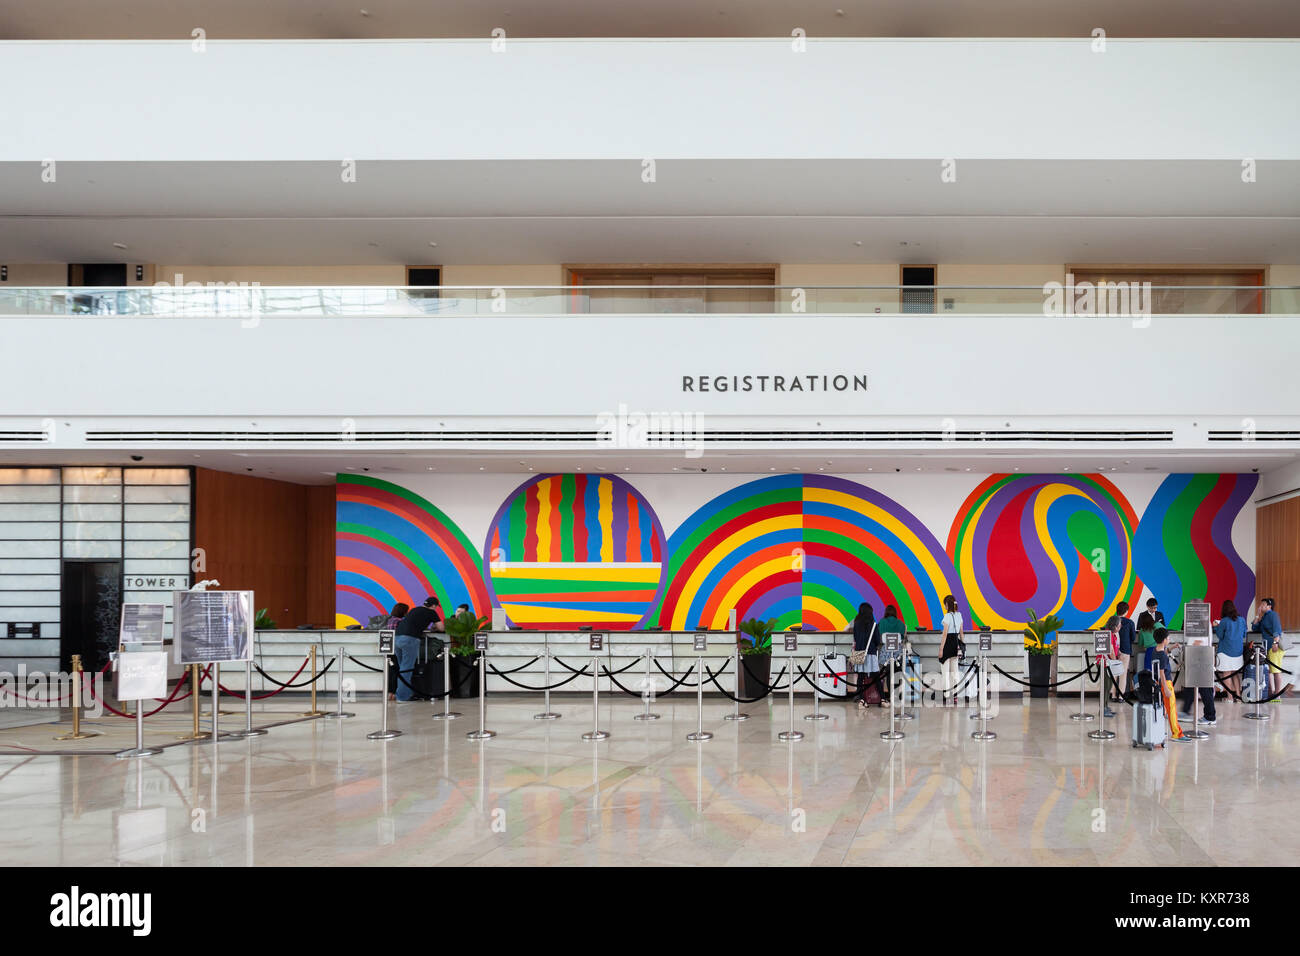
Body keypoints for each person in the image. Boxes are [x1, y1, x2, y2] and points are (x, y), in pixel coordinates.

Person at [393, 596, 445, 702]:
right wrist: (434, 626)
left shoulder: (414, 610)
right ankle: (402, 697)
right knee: (406, 669)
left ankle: (405, 693)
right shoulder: (431, 612)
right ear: (434, 606)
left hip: (397, 639)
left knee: (402, 668)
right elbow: (441, 628)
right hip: (410, 639)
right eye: (436, 607)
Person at [1250, 598, 1285, 699]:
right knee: (1269, 670)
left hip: (1275, 646)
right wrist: (1257, 614)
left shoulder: (1273, 615)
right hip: (1268, 646)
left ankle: (1277, 695)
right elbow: (1254, 627)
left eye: (1264, 604)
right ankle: (1271, 692)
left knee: (1276, 670)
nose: (1261, 606)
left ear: (1269, 606)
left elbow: (1277, 629)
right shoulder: (1264, 617)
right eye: (1261, 604)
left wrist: (1275, 642)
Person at [1213, 599, 1245, 702]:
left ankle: (1230, 697)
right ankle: (1239, 696)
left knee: (1226, 674)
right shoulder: (1242, 620)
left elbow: (1220, 635)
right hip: (1238, 652)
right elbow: (1244, 634)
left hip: (1225, 651)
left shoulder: (1224, 621)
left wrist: (1216, 627)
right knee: (1235, 674)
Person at [850, 602, 881, 706]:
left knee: (860, 677)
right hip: (871, 653)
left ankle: (861, 699)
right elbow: (877, 640)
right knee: (876, 676)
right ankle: (883, 698)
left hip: (859, 652)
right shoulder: (874, 624)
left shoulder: (856, 624)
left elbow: (855, 638)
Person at [937, 595, 963, 707]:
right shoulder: (959, 615)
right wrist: (962, 646)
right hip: (956, 646)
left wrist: (941, 649)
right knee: (955, 673)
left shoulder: (947, 616)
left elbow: (944, 634)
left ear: (947, 605)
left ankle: (946, 696)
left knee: (945, 673)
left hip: (947, 645)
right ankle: (955, 695)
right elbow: (961, 633)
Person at [878, 604, 906, 702]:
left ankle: (888, 695)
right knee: (897, 673)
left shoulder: (882, 622)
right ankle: (896, 695)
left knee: (886, 674)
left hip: (886, 653)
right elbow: (902, 638)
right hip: (897, 653)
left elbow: (879, 637)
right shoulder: (900, 623)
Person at [381, 602, 410, 700]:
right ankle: (394, 692)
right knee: (397, 671)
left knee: (391, 671)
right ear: (403, 611)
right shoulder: (400, 621)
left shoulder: (390, 620)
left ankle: (390, 692)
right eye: (406, 611)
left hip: (389, 647)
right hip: (397, 648)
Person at [1115, 601, 1136, 694]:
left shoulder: (1112, 621)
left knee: (1113, 673)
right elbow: (1133, 637)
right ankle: (1121, 696)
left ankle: (1113, 694)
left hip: (1113, 651)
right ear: (1126, 611)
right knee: (1123, 674)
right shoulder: (1130, 622)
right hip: (1125, 650)